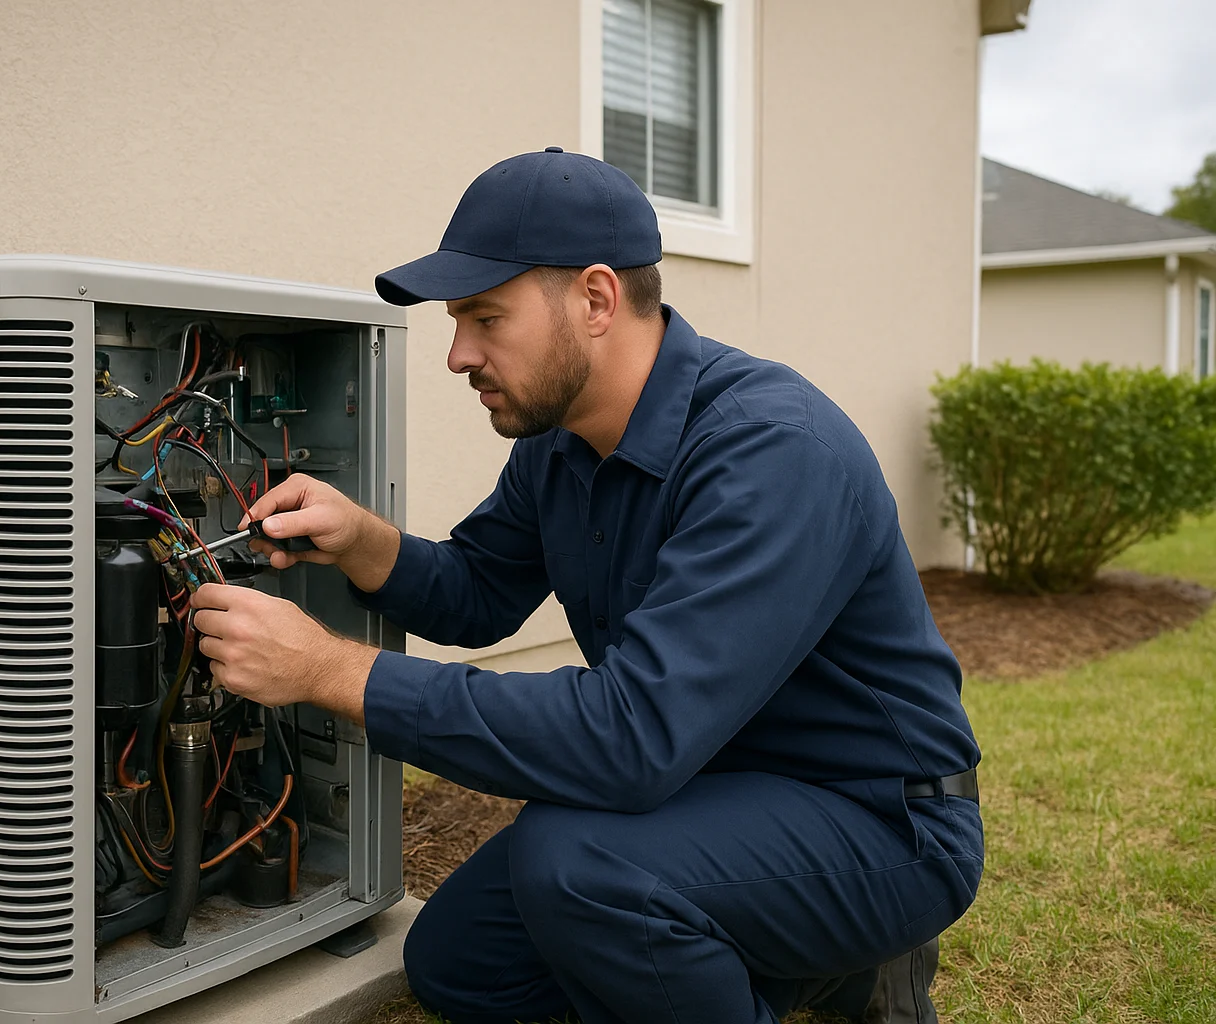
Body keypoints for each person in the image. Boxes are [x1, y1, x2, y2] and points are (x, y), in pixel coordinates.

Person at [189, 148, 984, 1024]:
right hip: (710, 787)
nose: (458, 355)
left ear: (597, 300)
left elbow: (630, 739)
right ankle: (819, 970)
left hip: (876, 821)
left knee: (578, 864)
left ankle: (858, 945)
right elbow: (480, 590)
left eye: (486, 318)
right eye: (458, 322)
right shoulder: (560, 444)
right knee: (460, 962)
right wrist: (363, 542)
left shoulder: (773, 450)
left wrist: (326, 671)